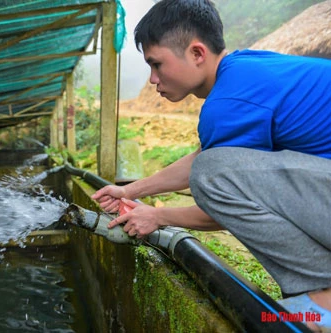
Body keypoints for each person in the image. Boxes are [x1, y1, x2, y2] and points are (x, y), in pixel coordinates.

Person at [91, 0, 331, 331]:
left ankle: (325, 300)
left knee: (210, 172)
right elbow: (206, 158)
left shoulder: (227, 103)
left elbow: (216, 188)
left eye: (157, 64)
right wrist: (130, 190)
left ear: (197, 53)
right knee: (210, 166)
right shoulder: (244, 70)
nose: (152, 79)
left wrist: (157, 216)